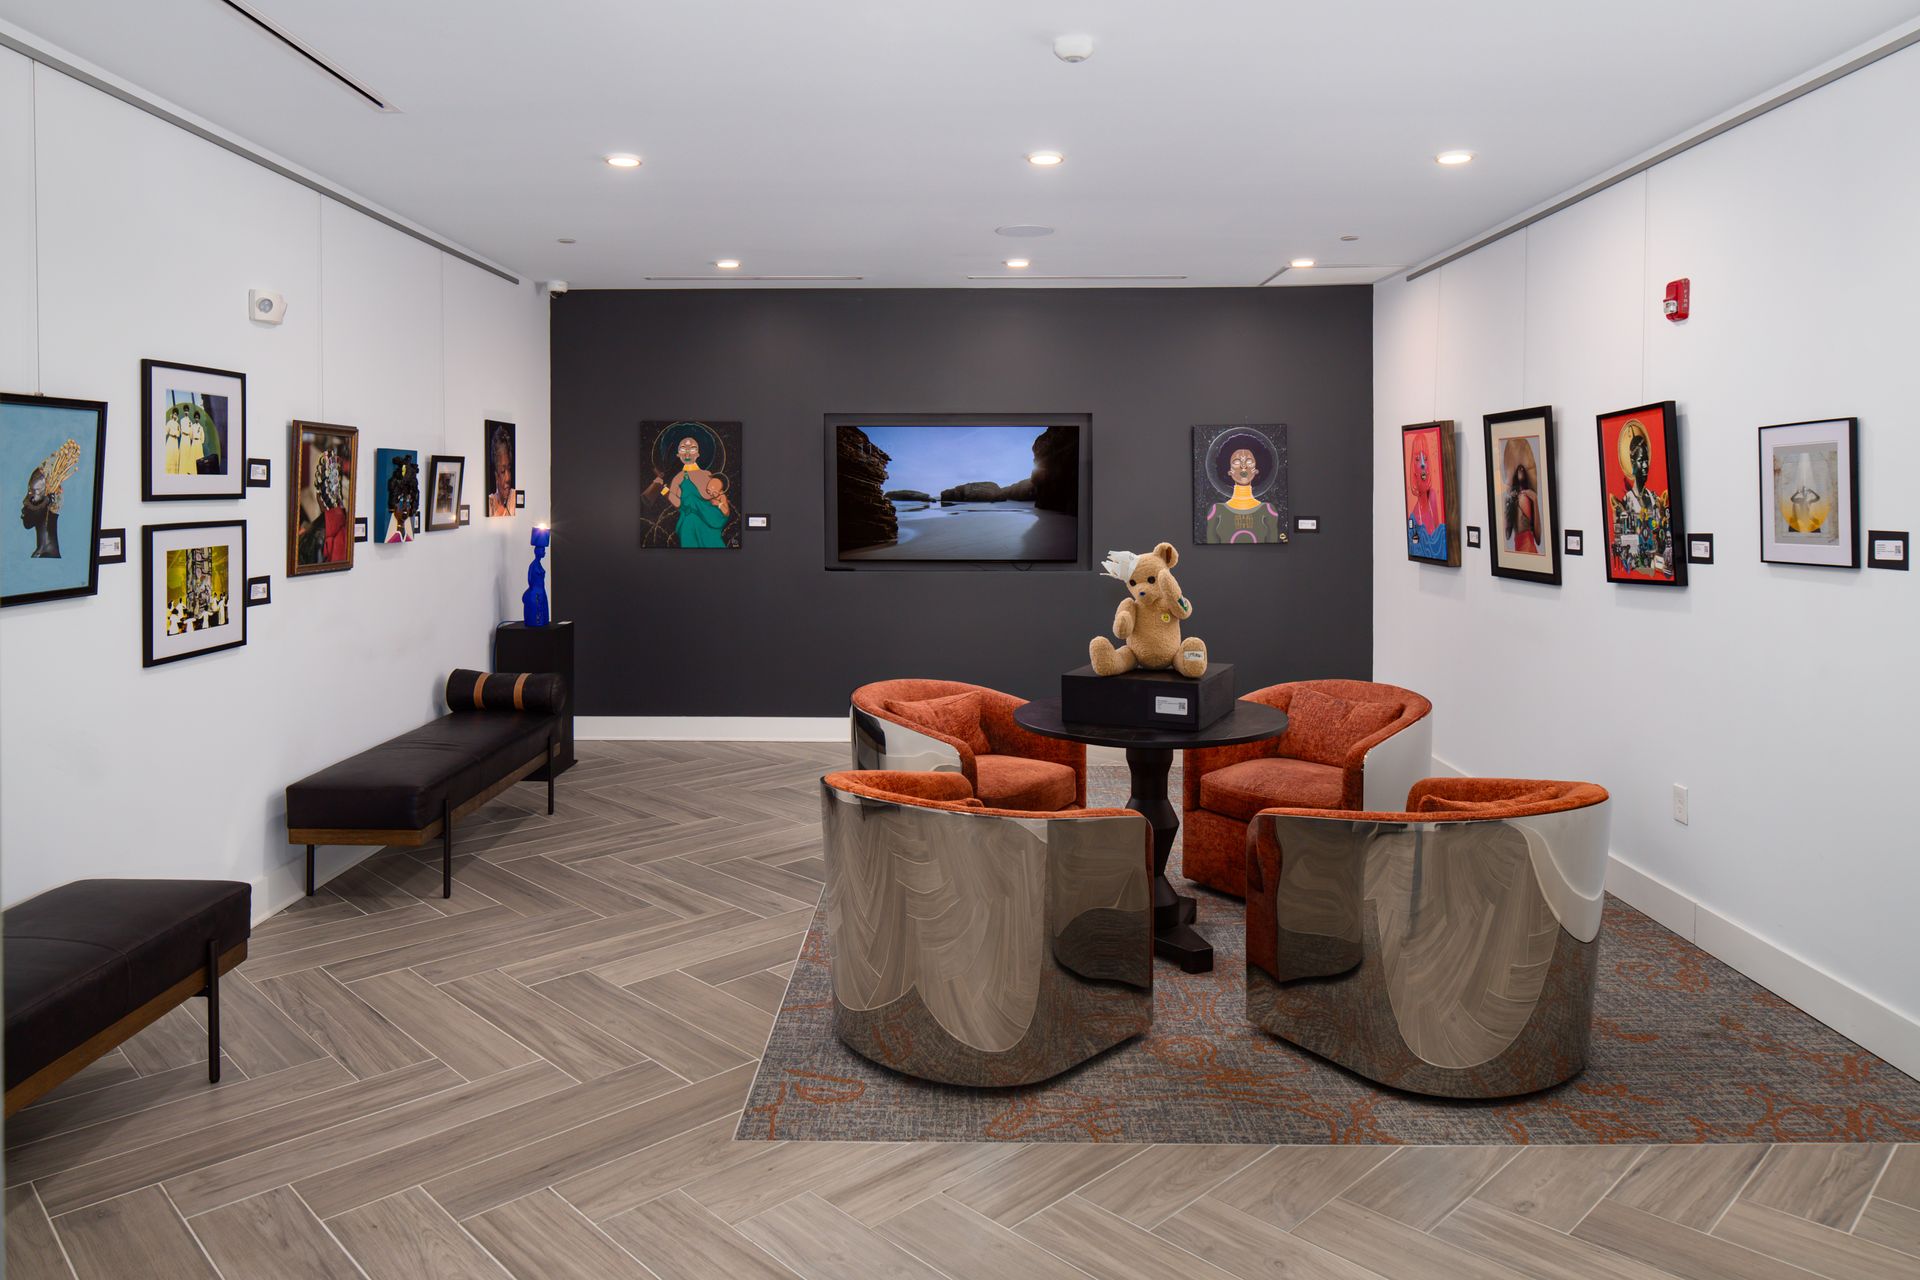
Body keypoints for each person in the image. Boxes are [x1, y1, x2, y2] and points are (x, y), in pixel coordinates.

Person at [1204, 447, 1283, 543]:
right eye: (1236, 463)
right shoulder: (1216, 511)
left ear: (1256, 470)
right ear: (1230, 471)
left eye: (1249, 462)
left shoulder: (1268, 510)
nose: (1243, 467)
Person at [1505, 462, 1540, 554]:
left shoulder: (1526, 497)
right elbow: (1507, 534)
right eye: (1518, 468)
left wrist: (1535, 500)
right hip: (1519, 546)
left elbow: (1538, 537)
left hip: (1527, 546)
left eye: (1522, 468)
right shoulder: (1513, 499)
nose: (1520, 469)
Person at [487, 426, 515, 516]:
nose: (508, 478)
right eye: (503, 471)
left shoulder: (515, 498)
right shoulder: (489, 504)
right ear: (495, 475)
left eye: (509, 469)